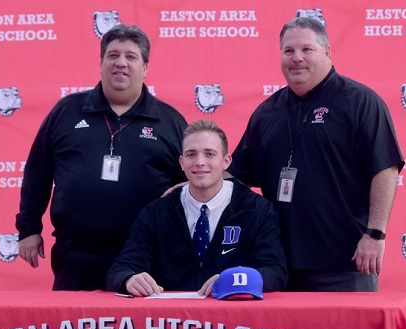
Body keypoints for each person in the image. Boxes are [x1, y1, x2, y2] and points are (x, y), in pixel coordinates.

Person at [227, 17, 405, 292]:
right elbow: (236, 176)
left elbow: (385, 169)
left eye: (306, 50)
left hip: (345, 266)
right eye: (289, 51)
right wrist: (189, 188)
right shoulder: (266, 113)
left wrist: (375, 234)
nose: (297, 58)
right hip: (279, 267)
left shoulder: (360, 102)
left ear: (327, 52)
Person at [15, 24, 187, 291]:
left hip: (146, 255)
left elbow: (191, 185)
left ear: (145, 68)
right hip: (76, 255)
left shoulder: (170, 121)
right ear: (101, 63)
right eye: (113, 55)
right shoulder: (66, 111)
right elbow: (38, 172)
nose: (121, 63)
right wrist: (28, 229)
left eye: (131, 56)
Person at [106, 120, 287, 297]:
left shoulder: (257, 210)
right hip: (173, 320)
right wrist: (129, 279)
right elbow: (121, 268)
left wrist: (235, 280)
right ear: (182, 162)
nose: (200, 162)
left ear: (226, 161)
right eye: (191, 154)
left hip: (234, 317)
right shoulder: (156, 213)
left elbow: (275, 271)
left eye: (209, 154)